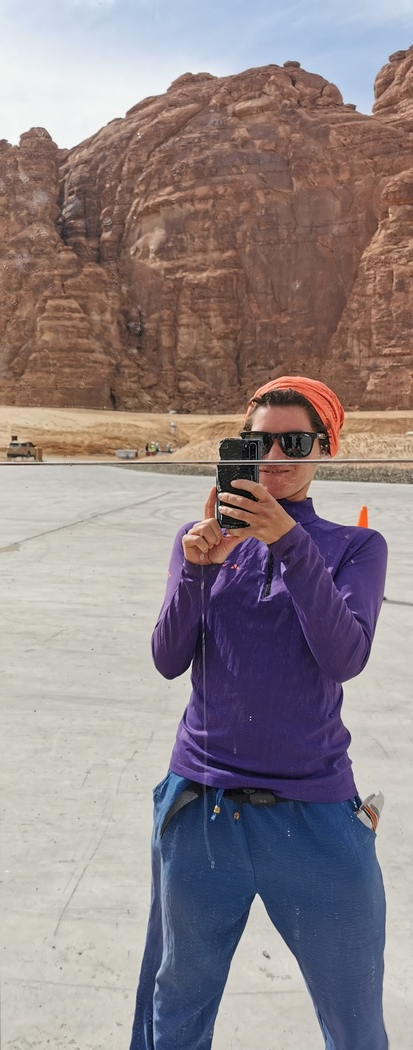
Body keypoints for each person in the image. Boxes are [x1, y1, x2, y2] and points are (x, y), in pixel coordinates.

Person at [130, 376, 388, 1050]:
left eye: (293, 442)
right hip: (202, 807)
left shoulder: (355, 548)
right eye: (257, 442)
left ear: (324, 448)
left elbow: (344, 655)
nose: (273, 456)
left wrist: (289, 546)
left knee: (355, 1020)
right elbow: (165, 658)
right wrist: (196, 570)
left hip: (315, 813)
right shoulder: (204, 540)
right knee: (175, 1013)